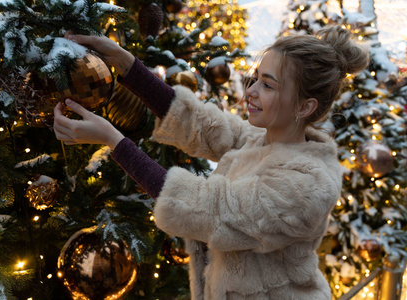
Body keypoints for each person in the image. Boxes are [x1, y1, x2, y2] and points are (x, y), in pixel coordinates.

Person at [53, 27, 369, 299]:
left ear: (304, 106)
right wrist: (122, 60)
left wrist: (114, 141)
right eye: (255, 78)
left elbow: (208, 211)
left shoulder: (306, 184)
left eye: (268, 85)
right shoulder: (263, 141)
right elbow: (200, 123)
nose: (251, 91)